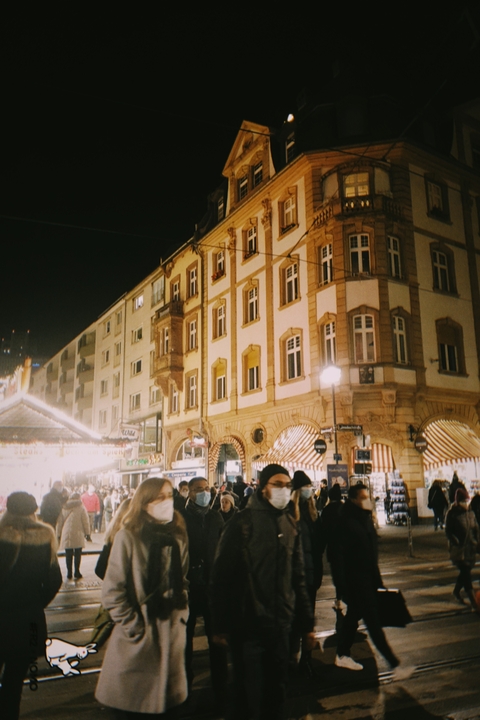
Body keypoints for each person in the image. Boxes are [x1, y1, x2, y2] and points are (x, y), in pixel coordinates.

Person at [211, 464, 315, 720]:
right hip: (248, 627)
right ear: (262, 488)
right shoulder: (241, 523)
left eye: (287, 486)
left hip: (281, 627)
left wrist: (306, 624)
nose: (284, 490)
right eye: (277, 485)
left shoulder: (291, 523)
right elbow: (220, 577)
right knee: (247, 699)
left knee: (276, 696)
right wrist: (219, 625)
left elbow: (298, 577)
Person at [95, 477, 189, 718]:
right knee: (135, 709)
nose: (167, 502)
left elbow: (182, 582)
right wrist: (135, 627)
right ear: (145, 502)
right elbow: (113, 592)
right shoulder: (128, 536)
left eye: (170, 495)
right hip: (138, 642)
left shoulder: (178, 535)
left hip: (171, 636)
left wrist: (182, 616)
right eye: (160, 497)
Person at [335, 483, 413, 680]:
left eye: (367, 495)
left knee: (353, 618)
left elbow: (370, 553)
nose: (367, 499)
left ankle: (341, 654)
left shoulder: (363, 518)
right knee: (373, 624)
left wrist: (377, 580)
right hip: (357, 581)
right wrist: (342, 587)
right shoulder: (346, 520)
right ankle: (395, 664)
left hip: (366, 579)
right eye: (363, 496)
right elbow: (339, 556)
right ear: (354, 499)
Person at [0, 492, 62, 720]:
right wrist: (35, 603)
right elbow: (55, 581)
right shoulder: (46, 536)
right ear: (34, 510)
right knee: (14, 683)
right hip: (29, 622)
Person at [181, 477, 227, 709]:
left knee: (216, 640)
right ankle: (184, 687)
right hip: (188, 588)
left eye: (206, 489)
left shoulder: (215, 517)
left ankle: (221, 689)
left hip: (211, 588)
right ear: (188, 493)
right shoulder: (180, 518)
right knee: (185, 642)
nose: (204, 493)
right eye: (199, 490)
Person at [289, 470, 323, 676]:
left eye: (309, 488)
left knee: (307, 618)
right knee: (295, 620)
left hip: (310, 575)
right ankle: (293, 659)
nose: (309, 491)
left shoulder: (312, 513)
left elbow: (318, 546)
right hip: (294, 576)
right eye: (305, 488)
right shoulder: (290, 513)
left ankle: (306, 660)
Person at [445, 487, 479, 609]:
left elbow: (475, 529)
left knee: (466, 572)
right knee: (466, 573)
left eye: (467, 501)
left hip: (470, 548)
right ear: (458, 501)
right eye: (463, 501)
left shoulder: (471, 513)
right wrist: (455, 541)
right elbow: (448, 531)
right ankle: (474, 603)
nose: (466, 503)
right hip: (459, 550)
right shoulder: (452, 513)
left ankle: (456, 591)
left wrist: (477, 542)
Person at [320, 483, 346, 610]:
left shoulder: (327, 510)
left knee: (337, 574)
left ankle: (339, 599)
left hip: (333, 548)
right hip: (346, 548)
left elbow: (323, 531)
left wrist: (320, 548)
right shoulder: (345, 508)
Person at [57, 492, 91, 580]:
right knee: (77, 553)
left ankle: (69, 572)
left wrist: (58, 534)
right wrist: (87, 534)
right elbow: (85, 521)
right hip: (78, 532)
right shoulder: (81, 507)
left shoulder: (64, 507)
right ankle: (77, 571)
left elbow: (59, 522)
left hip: (66, 532)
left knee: (68, 554)